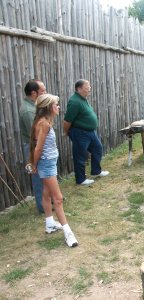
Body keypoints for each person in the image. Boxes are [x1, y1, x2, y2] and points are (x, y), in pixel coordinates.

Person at [29, 94, 78, 247]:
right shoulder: (44, 124)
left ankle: (50, 224)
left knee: (46, 193)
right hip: (46, 165)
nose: (58, 107)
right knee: (58, 198)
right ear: (49, 107)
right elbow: (38, 148)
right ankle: (68, 233)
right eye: (56, 104)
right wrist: (34, 164)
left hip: (48, 163)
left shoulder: (43, 121)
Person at [63, 80, 109, 185]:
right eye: (87, 86)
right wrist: (66, 132)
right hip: (80, 133)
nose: (90, 88)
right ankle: (81, 179)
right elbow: (67, 121)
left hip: (90, 132)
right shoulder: (74, 102)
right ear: (79, 89)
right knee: (80, 155)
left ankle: (96, 171)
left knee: (97, 148)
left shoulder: (83, 99)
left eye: (89, 86)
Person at [19, 80, 46, 213]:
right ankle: (42, 206)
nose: (45, 93)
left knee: (44, 174)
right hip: (33, 147)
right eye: (43, 91)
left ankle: (47, 201)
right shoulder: (28, 111)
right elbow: (36, 135)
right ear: (34, 93)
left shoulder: (34, 106)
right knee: (37, 176)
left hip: (37, 145)